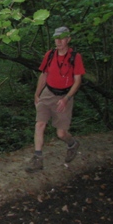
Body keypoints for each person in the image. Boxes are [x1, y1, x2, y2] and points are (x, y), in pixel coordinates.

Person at [26, 26, 85, 173]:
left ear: (68, 39)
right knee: (39, 124)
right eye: (56, 38)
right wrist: (37, 93)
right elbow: (44, 74)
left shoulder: (75, 57)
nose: (58, 41)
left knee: (61, 133)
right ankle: (38, 159)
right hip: (48, 93)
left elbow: (78, 81)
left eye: (62, 38)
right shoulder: (50, 55)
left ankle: (72, 143)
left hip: (64, 95)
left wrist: (66, 99)